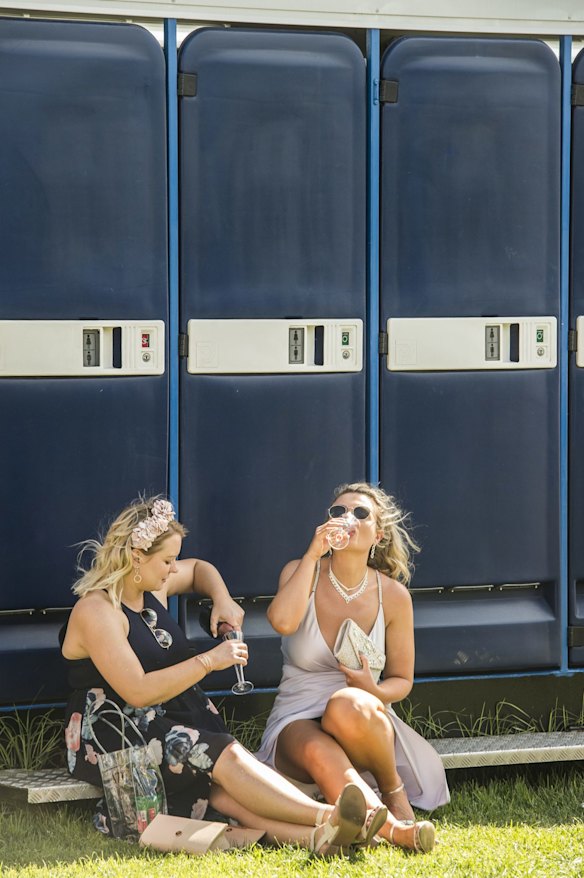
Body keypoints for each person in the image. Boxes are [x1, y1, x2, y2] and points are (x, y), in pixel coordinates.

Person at [60, 496, 387, 855]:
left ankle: (322, 837)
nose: (173, 570)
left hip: (167, 717)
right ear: (137, 557)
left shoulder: (150, 587)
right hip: (116, 734)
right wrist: (209, 660)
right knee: (224, 755)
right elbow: (137, 691)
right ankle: (330, 815)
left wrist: (222, 598)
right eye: (167, 560)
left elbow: (199, 569)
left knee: (225, 795)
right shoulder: (97, 610)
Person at [255, 482, 450, 853]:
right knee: (316, 748)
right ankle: (396, 829)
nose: (347, 518)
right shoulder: (300, 570)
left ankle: (392, 790)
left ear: (377, 534)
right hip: (297, 718)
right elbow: (281, 622)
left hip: (361, 720)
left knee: (349, 702)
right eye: (338, 512)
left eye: (360, 513)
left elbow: (401, 681)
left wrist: (373, 690)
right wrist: (313, 556)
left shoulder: (393, 596)